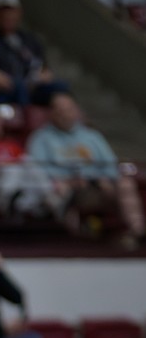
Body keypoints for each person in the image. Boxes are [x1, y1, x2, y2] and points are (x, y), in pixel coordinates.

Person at [26, 92, 145, 250]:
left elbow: (110, 164)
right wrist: (68, 178)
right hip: (66, 187)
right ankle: (72, 242)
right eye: (60, 110)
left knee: (125, 183)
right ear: (52, 113)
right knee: (59, 189)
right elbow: (36, 169)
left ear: (76, 111)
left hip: (96, 186)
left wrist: (103, 178)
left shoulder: (91, 136)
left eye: (68, 109)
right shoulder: (41, 138)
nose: (65, 114)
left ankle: (138, 233)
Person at [0, 0, 66, 106]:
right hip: (6, 87)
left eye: (11, 11)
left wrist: (43, 76)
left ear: (19, 13)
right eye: (3, 12)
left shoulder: (30, 40)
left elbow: (44, 68)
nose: (8, 16)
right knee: (18, 86)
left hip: (33, 85)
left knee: (61, 86)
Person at [0, 107, 57, 221]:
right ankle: (12, 205)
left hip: (17, 191)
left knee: (29, 162)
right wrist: (1, 166)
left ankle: (50, 200)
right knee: (12, 169)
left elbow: (29, 166)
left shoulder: (9, 145)